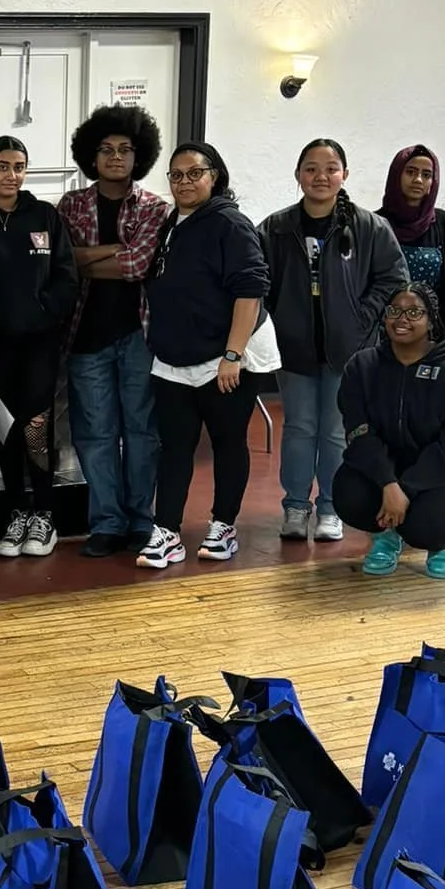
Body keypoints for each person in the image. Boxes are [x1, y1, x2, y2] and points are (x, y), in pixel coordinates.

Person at [259, 139, 406, 544]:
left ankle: (330, 508)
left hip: (350, 349)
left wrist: (362, 317)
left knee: (337, 431)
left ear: (345, 174)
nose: (320, 176)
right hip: (295, 349)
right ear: (297, 175)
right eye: (310, 168)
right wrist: (277, 318)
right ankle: (295, 506)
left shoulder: (369, 227)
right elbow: (257, 279)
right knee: (299, 428)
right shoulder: (275, 228)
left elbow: (393, 278)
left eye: (330, 168)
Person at [139, 142, 277, 570]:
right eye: (176, 175)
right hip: (175, 357)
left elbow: (250, 290)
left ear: (214, 176)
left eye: (194, 173)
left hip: (226, 358)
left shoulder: (229, 224)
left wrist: (233, 355)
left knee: (227, 442)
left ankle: (224, 526)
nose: (184, 182)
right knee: (174, 446)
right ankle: (167, 532)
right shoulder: (171, 223)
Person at [58, 103, 168, 557]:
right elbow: (64, 263)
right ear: (92, 155)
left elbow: (138, 266)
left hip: (139, 335)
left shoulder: (155, 208)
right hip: (85, 336)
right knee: (94, 434)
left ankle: (142, 522)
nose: (116, 157)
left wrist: (89, 257)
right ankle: (106, 523)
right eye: (106, 149)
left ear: (139, 155)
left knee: (141, 432)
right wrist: (114, 251)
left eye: (125, 149)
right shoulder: (70, 205)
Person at [0, 136, 77, 557]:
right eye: (3, 166)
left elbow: (66, 275)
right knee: (7, 428)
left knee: (36, 426)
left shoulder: (44, 215)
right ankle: (15, 512)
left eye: (19, 167)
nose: (11, 175)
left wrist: (45, 310)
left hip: (39, 343)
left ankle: (44, 514)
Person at [333, 283, 445, 580]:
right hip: (388, 465)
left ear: (431, 320)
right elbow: (359, 434)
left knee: (426, 525)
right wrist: (388, 483)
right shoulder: (362, 366)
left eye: (414, 312)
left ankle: (443, 542)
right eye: (394, 311)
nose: (401, 319)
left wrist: (407, 489)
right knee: (349, 496)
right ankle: (386, 536)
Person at [380, 144, 445, 340]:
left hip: (432, 335)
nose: (418, 180)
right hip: (385, 333)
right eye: (410, 172)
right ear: (396, 174)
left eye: (426, 175)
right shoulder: (376, 225)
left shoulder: (444, 225)